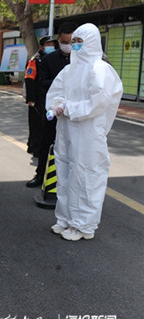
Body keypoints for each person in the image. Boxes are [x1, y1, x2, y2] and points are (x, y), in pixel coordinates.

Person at [46, 23, 123, 241]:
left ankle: (84, 225)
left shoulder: (99, 69)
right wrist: (56, 106)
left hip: (88, 132)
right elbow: (56, 91)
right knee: (65, 173)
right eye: (74, 42)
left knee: (86, 176)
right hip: (67, 129)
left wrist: (69, 108)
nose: (76, 46)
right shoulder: (69, 69)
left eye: (81, 42)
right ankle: (65, 219)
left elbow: (98, 102)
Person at [26, 22, 77, 188]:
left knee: (73, 146)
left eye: (71, 42)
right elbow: (42, 82)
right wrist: (62, 84)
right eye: (64, 42)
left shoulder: (81, 59)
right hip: (53, 109)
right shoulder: (48, 60)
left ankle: (71, 181)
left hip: (74, 111)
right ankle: (40, 175)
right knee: (45, 141)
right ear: (59, 40)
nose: (67, 46)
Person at [24, 35, 56, 155]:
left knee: (46, 124)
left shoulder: (53, 58)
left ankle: (40, 146)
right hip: (37, 97)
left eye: (52, 44)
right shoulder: (35, 60)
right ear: (41, 46)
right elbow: (29, 79)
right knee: (36, 124)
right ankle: (35, 147)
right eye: (48, 45)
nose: (51, 47)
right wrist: (31, 99)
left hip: (49, 96)